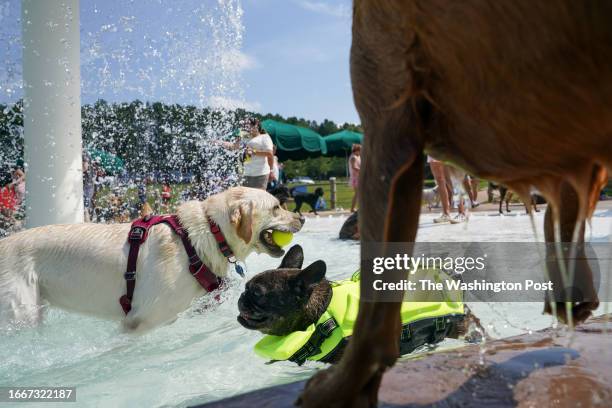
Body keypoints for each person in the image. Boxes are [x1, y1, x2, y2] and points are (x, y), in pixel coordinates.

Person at [428, 156, 466, 224]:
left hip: (445, 149)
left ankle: (462, 213)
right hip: (433, 150)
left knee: (451, 180)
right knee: (439, 180)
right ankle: (446, 214)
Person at [242, 118, 275, 189]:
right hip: (247, 173)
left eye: (248, 126)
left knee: (258, 199)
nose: (247, 128)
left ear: (256, 125)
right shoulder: (246, 138)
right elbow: (234, 146)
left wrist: (253, 151)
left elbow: (270, 154)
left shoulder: (264, 137)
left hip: (260, 174)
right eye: (245, 127)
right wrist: (219, 142)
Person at [349, 144, 361, 212]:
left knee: (358, 193)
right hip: (355, 177)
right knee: (357, 193)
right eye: (360, 151)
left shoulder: (358, 156)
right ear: (356, 150)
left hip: (358, 177)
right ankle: (352, 208)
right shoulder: (353, 157)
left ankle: (356, 207)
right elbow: (354, 167)